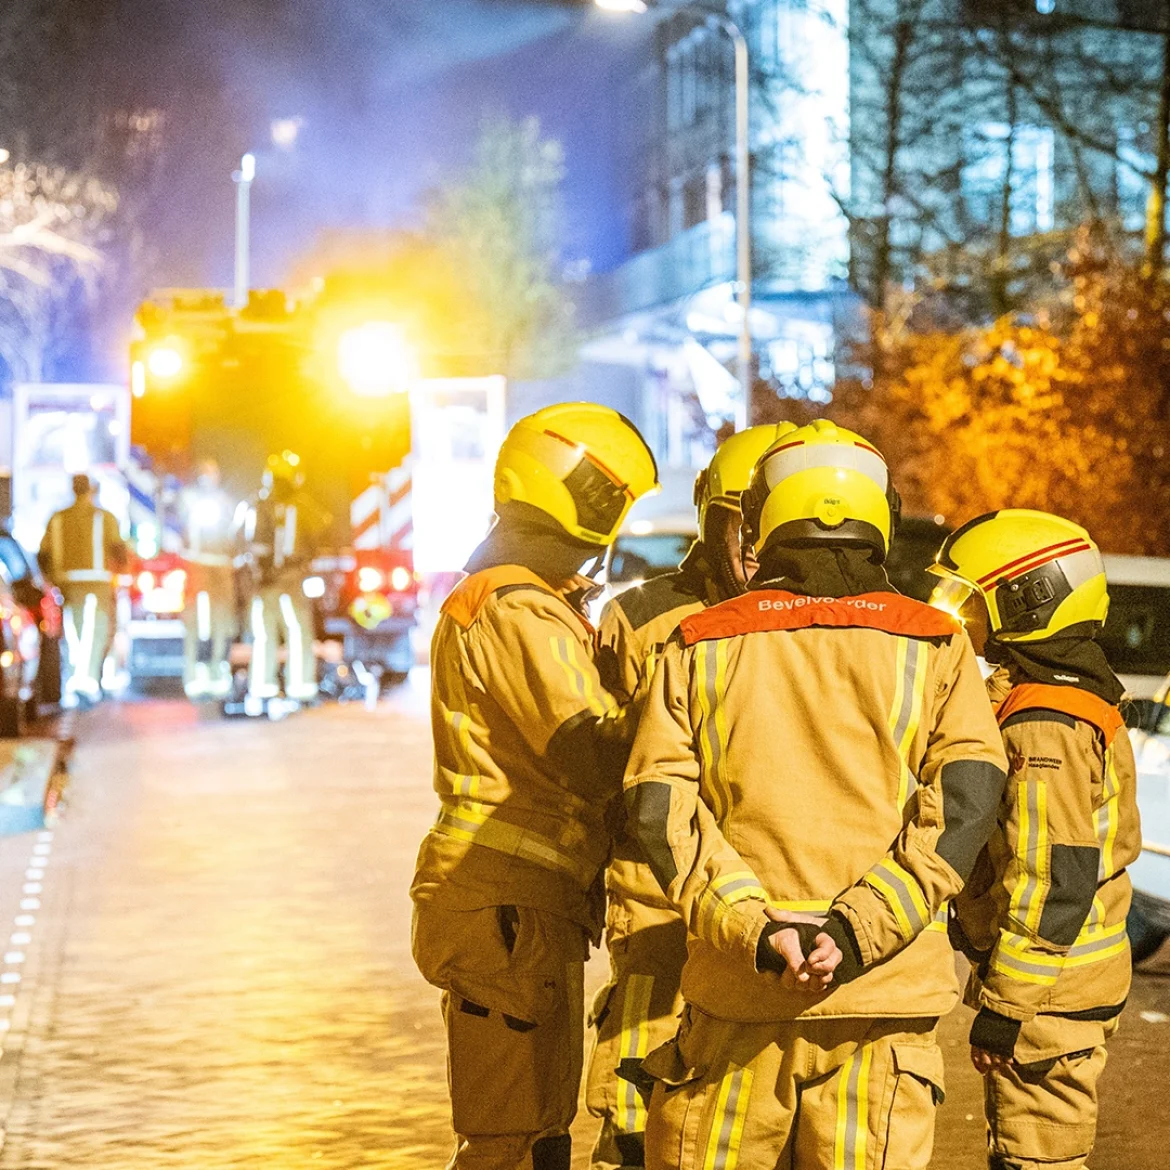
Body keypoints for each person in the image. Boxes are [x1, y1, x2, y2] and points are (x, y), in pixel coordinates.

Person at [624, 419, 1009, 1170]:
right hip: (884, 997)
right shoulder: (936, 645)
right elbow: (965, 803)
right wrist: (860, 928)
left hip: (742, 995)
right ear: (880, 519)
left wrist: (758, 931)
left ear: (761, 523)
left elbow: (658, 806)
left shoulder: (699, 642)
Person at [411, 403, 659, 1170]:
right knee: (511, 1144)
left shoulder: (527, 600)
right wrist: (683, 701)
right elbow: (585, 750)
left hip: (520, 907)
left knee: (535, 1134)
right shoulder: (518, 607)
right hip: (505, 906)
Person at [587, 424, 792, 1170]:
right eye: (741, 522)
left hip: (769, 927)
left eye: (768, 524)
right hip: (658, 924)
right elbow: (595, 767)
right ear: (713, 521)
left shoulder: (821, 625)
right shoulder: (639, 619)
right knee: (637, 1128)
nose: (753, 545)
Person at [929, 510, 1140, 1170]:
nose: (961, 618)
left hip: (1051, 994)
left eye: (973, 601)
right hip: (1063, 982)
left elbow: (1052, 879)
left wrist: (1006, 1008)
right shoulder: (1052, 693)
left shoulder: (1047, 723)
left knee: (1038, 1155)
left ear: (1029, 599)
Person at [240, 451, 330, 710]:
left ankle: (262, 689)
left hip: (263, 583)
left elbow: (241, 540)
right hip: (291, 580)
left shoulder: (255, 505)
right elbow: (322, 530)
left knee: (264, 635)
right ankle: (300, 689)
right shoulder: (302, 505)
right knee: (298, 632)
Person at [38, 474, 128, 706]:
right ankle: (85, 681)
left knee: (72, 632)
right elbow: (119, 549)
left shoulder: (57, 519)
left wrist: (49, 580)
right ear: (92, 491)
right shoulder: (104, 517)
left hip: (66, 585)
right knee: (93, 633)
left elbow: (43, 554)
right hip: (96, 585)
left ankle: (75, 679)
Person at [178, 461, 240, 700]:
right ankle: (198, 678)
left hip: (221, 569)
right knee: (199, 625)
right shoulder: (190, 500)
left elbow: (234, 532)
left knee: (223, 624)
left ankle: (218, 674)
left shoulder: (226, 502)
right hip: (199, 568)